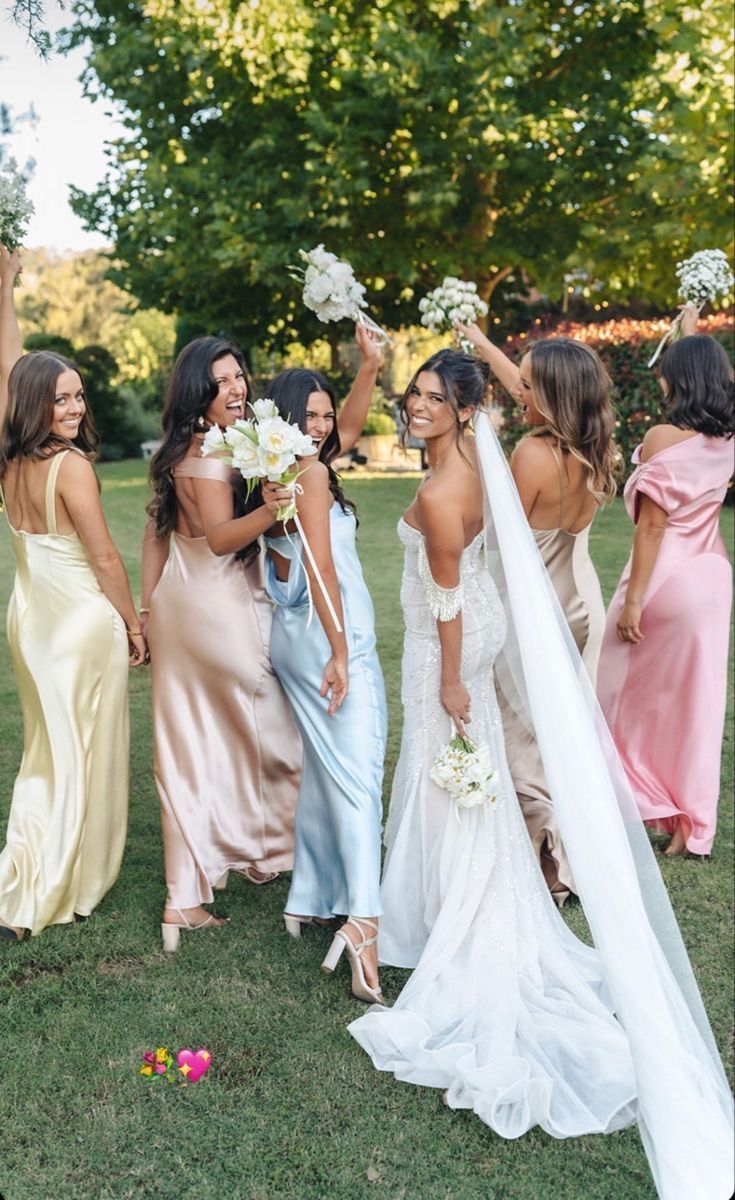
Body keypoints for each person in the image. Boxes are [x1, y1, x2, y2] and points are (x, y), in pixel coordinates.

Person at [349, 348, 733, 1200]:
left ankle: (467, 903)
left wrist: (450, 676)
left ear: (461, 408)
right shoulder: (531, 454)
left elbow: (450, 592)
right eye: (410, 395)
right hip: (528, 610)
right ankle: (482, 885)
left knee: (459, 769)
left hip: (464, 635)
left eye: (426, 397)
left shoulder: (477, 475)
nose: (414, 407)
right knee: (481, 767)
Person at [0, 242, 144, 942]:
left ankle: (23, 873)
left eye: (78, 395)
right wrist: (137, 624)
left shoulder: (9, 461)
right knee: (82, 753)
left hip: (28, 621)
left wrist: (6, 290)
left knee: (44, 753)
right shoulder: (74, 468)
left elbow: (9, 366)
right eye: (60, 397)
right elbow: (106, 559)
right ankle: (53, 888)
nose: (73, 405)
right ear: (37, 403)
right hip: (84, 622)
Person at [141, 336, 301, 952]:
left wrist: (147, 608)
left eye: (239, 377)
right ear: (197, 392)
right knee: (276, 726)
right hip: (218, 602)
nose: (235, 389)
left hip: (177, 606)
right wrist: (271, 506)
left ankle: (186, 896)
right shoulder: (210, 454)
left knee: (186, 746)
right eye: (220, 381)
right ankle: (275, 851)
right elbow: (218, 539)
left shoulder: (178, 448)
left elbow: (158, 535)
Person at [455, 322, 618, 902]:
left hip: (535, 612)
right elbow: (531, 379)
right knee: (560, 730)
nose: (516, 394)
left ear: (550, 395)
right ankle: (563, 850)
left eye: (527, 389)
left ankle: (547, 861)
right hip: (581, 603)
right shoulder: (595, 445)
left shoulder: (530, 453)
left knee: (521, 732)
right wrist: (477, 338)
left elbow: (498, 540)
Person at [259, 325, 387, 1003]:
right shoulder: (304, 475)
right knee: (359, 770)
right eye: (306, 415)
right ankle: (362, 922)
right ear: (283, 420)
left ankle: (309, 895)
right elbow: (322, 568)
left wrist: (366, 366)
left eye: (323, 414)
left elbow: (349, 424)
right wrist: (341, 653)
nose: (321, 425)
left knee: (329, 767)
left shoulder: (296, 467)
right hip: (327, 638)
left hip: (301, 634)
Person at [597, 307, 734, 858]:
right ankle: (690, 827)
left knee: (615, 689)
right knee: (696, 705)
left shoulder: (660, 436)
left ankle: (630, 795)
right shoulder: (726, 439)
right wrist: (693, 334)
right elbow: (709, 372)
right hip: (712, 578)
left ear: (676, 379)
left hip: (665, 579)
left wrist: (631, 603)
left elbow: (652, 526)